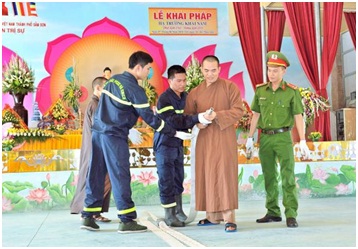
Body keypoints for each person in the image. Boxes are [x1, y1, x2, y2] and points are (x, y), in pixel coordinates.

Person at [80, 51, 193, 233]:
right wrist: (175, 133)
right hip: (114, 136)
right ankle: (127, 220)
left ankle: (88, 216)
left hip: (98, 133)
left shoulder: (113, 81)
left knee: (96, 173)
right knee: (120, 175)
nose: (149, 73)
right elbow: (151, 119)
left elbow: (109, 107)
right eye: (148, 68)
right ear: (139, 67)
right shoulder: (135, 89)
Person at [245, 51, 310, 228]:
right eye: (269, 70)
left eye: (275, 70)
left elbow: (298, 116)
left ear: (283, 71)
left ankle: (290, 213)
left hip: (283, 137)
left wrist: (303, 140)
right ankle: (273, 211)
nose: (271, 74)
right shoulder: (260, 90)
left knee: (287, 176)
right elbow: (255, 115)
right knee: (269, 176)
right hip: (265, 138)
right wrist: (250, 138)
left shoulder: (291, 92)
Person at [184, 55, 245, 233]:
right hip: (204, 139)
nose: (210, 74)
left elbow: (238, 110)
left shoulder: (229, 87)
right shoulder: (195, 92)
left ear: (219, 70)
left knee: (224, 174)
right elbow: (188, 116)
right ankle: (212, 216)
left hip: (224, 137)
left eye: (213, 70)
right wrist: (197, 122)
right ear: (201, 70)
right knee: (208, 174)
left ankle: (229, 217)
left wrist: (217, 115)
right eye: (206, 70)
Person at [154, 65, 212, 227]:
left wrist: (199, 121)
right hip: (165, 143)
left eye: (184, 80)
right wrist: (196, 119)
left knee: (178, 176)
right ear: (170, 80)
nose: (182, 84)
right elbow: (173, 120)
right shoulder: (164, 99)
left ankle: (178, 210)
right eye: (179, 81)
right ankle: (169, 214)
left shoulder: (186, 97)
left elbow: (189, 116)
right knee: (166, 179)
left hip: (178, 144)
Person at [70, 77, 111, 222]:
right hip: (95, 148)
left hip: (96, 147)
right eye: (107, 87)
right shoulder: (95, 104)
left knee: (100, 179)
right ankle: (87, 210)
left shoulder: (98, 103)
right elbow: (99, 127)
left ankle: (93, 212)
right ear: (98, 88)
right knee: (99, 179)